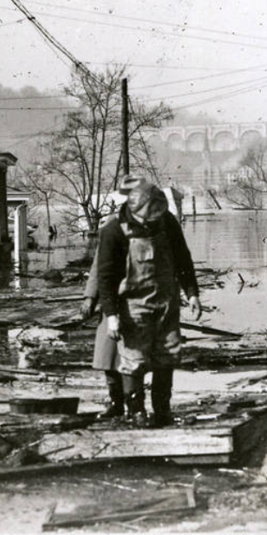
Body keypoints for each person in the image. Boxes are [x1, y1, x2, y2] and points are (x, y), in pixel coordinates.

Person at [97, 182, 202, 427]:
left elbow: (183, 260)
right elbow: (105, 277)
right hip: (133, 306)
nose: (151, 223)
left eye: (156, 217)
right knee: (133, 360)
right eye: (148, 218)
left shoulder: (167, 223)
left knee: (167, 356)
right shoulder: (114, 231)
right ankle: (136, 413)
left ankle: (162, 412)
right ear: (134, 211)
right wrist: (111, 315)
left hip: (166, 301)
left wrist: (192, 293)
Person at [80, 175, 147, 420]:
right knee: (107, 356)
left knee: (132, 357)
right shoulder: (111, 228)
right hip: (111, 302)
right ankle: (116, 403)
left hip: (137, 302)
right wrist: (90, 297)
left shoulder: (148, 227)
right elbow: (100, 267)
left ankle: (136, 407)